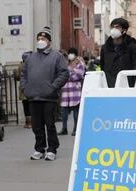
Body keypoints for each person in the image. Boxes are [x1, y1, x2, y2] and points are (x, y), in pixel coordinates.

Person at [21, 26, 69, 161]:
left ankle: (52, 149)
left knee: (49, 124)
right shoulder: (31, 57)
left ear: (49, 41)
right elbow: (24, 74)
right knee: (36, 125)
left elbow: (64, 73)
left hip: (49, 97)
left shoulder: (57, 56)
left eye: (43, 38)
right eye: (38, 39)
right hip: (33, 96)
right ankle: (39, 148)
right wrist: (25, 87)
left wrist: (53, 87)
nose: (40, 41)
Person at [100, 18, 136, 87]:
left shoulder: (132, 47)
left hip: (127, 86)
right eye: (112, 27)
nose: (113, 30)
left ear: (124, 30)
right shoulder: (105, 48)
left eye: (117, 27)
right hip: (109, 86)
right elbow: (102, 67)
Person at [59, 47, 85, 137]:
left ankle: (75, 129)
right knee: (64, 110)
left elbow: (78, 76)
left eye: (72, 53)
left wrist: (69, 71)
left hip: (75, 90)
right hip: (65, 90)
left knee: (75, 110)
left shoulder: (80, 64)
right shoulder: (65, 63)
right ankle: (64, 128)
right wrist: (71, 71)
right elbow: (62, 75)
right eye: (70, 53)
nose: (70, 55)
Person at [15, 51, 32, 128]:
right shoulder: (32, 65)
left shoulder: (21, 65)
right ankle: (32, 122)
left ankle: (28, 123)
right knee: (31, 105)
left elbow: (17, 76)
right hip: (31, 87)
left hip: (23, 88)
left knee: (26, 106)